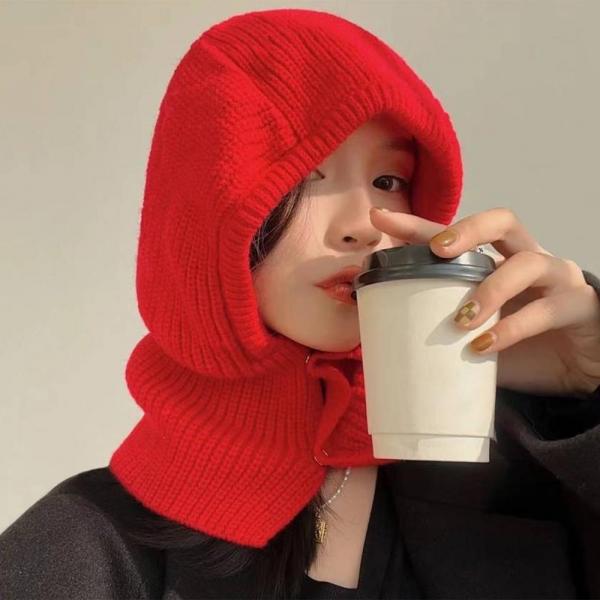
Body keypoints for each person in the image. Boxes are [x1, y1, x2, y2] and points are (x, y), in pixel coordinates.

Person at [2, 7, 600, 600]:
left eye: (388, 181)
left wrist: (589, 390)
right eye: (303, 177)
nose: (363, 226)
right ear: (201, 210)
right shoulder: (80, 547)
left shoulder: (535, 482)